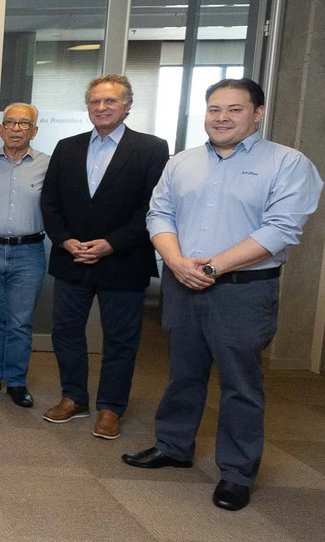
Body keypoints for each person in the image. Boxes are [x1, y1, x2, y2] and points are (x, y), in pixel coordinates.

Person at [124, 78, 322, 511]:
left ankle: (236, 472)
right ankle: (173, 446)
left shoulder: (288, 163)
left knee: (240, 384)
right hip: (181, 284)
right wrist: (176, 262)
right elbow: (160, 214)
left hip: (243, 292)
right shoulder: (182, 162)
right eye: (214, 109)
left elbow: (280, 229)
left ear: (257, 113)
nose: (222, 118)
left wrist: (213, 267)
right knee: (183, 373)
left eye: (234, 109)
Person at [40, 74, 169, 438]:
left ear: (127, 106)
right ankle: (74, 397)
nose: (101, 107)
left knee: (120, 339)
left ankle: (111, 408)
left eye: (110, 101)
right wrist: (65, 240)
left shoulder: (151, 148)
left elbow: (153, 208)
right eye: (95, 101)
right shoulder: (67, 147)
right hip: (72, 259)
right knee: (66, 333)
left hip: (123, 260)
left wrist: (112, 244)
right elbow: (50, 201)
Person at [0, 103, 49, 408]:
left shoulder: (47, 165)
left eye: (24, 124)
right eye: (10, 123)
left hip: (29, 252)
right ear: (1, 129)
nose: (16, 129)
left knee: (20, 321)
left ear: (34, 131)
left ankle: (16, 380)